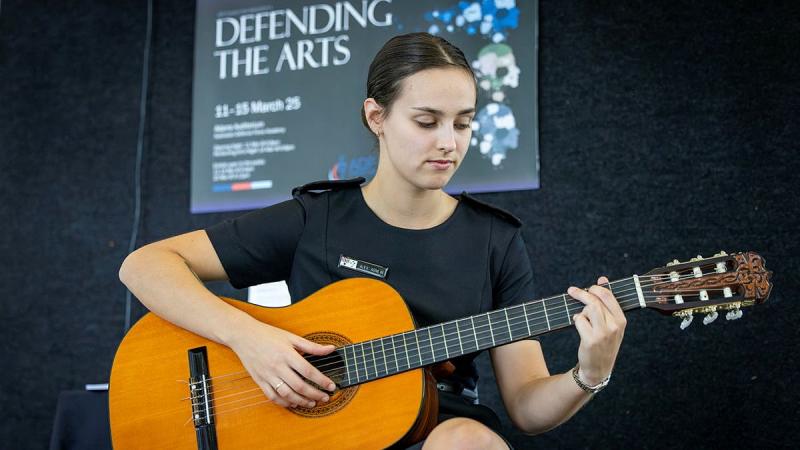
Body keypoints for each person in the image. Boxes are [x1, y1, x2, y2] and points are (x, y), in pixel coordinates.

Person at [119, 32, 626, 449]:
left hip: (436, 433)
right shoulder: (316, 218)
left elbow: (527, 407)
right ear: (376, 117)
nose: (448, 142)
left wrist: (590, 371)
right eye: (426, 121)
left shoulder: (496, 239)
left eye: (463, 123)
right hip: (309, 433)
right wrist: (249, 338)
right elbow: (144, 265)